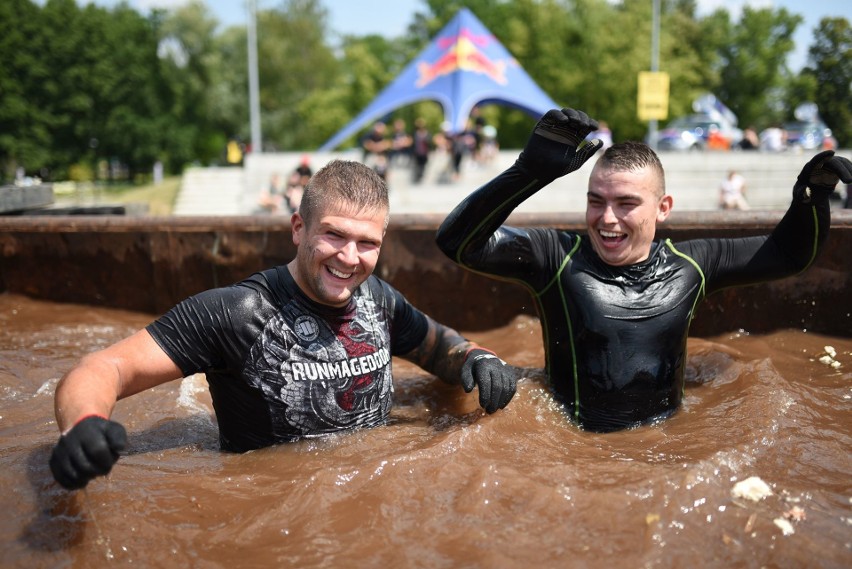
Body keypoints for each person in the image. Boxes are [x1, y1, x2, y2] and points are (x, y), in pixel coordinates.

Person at [50, 160, 519, 491]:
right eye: (334, 234)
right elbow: (100, 369)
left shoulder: (380, 300)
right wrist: (84, 426)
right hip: (271, 507)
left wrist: (477, 357)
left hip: (368, 497)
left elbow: (438, 346)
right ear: (298, 228)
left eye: (367, 243)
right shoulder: (234, 313)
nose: (349, 258)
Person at [436, 107, 852, 433]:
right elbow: (458, 243)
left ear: (662, 208)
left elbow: (788, 254)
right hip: (574, 452)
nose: (607, 219)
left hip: (663, 451)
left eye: (627, 204)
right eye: (596, 201)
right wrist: (526, 174)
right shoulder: (556, 256)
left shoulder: (692, 265)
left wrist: (812, 195)